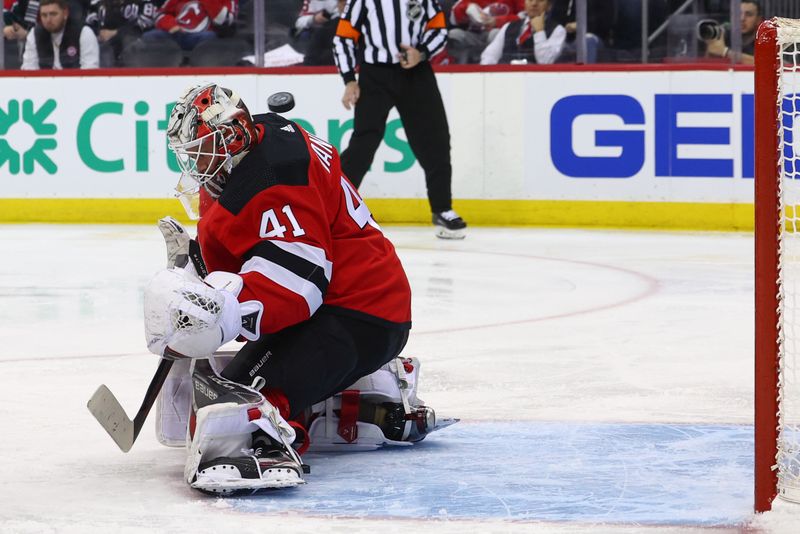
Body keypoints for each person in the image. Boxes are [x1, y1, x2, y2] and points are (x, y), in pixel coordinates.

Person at [143, 83, 440, 494]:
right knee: (215, 390)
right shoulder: (257, 142)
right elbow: (257, 249)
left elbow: (300, 284)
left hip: (358, 315)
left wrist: (225, 311)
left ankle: (275, 437)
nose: (194, 160)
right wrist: (203, 269)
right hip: (352, 306)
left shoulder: (277, 181)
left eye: (200, 147)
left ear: (229, 136)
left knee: (232, 407)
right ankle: (366, 393)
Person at [332, 0, 467, 239]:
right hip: (375, 74)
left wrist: (421, 52)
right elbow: (343, 37)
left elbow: (438, 29)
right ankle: (332, 209)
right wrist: (349, 79)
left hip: (417, 72)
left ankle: (442, 208)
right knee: (364, 142)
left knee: (435, 139)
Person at [480, 0, 565, 65]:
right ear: (524, 3)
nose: (534, 3)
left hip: (535, 80)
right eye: (530, 0)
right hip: (505, 78)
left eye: (540, 0)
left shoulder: (558, 30)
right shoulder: (508, 26)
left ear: (549, 6)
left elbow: (545, 61)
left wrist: (539, 31)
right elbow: (489, 56)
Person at [20, 0, 100, 69]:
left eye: (53, 14)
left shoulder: (84, 33)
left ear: (65, 13)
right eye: (44, 15)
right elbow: (29, 69)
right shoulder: (34, 34)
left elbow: (90, 71)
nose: (48, 20)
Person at [85, 0, 161, 66]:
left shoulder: (144, 2)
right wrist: (99, 33)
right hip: (104, 44)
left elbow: (145, 23)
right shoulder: (97, 2)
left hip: (133, 43)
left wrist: (116, 33)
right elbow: (90, 23)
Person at [446, 0, 524, 64]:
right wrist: (467, 7)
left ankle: (498, 68)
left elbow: (524, 17)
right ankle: (457, 68)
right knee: (454, 34)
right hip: (474, 34)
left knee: (495, 33)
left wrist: (497, 21)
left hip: (497, 34)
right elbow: (453, 18)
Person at [142, 0, 236, 51]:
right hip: (177, 33)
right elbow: (160, 15)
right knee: (150, 36)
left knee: (211, 38)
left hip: (202, 37)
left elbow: (224, 21)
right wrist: (171, 25)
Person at [703, 0, 762, 65]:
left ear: (758, 20)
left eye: (748, 14)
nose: (742, 18)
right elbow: (707, 66)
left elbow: (763, 64)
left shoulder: (764, 40)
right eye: (738, 14)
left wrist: (725, 52)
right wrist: (711, 46)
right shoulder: (724, 35)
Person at [298, 0, 345, 65]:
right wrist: (313, 19)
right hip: (323, 33)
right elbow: (299, 23)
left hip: (344, 27)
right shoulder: (321, 33)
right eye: (341, 2)